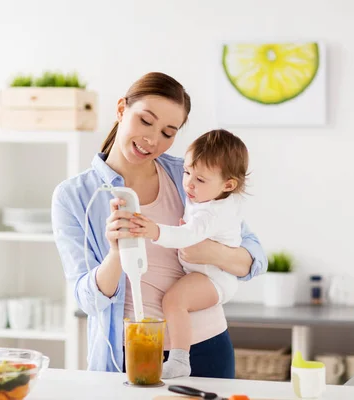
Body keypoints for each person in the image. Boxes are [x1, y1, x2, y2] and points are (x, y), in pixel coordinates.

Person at [51, 72, 267, 379]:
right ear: (122, 109)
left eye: (168, 132)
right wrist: (116, 255)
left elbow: (255, 258)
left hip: (205, 346)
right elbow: (88, 301)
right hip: (128, 352)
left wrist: (208, 251)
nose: (153, 140)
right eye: (145, 121)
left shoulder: (190, 176)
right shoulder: (75, 196)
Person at [130, 129, 250, 378]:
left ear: (228, 185)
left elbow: (188, 236)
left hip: (214, 279)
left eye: (200, 180)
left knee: (174, 302)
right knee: (175, 302)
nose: (189, 184)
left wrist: (153, 230)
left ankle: (180, 359)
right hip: (207, 275)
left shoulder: (214, 212)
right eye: (186, 172)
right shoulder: (210, 195)